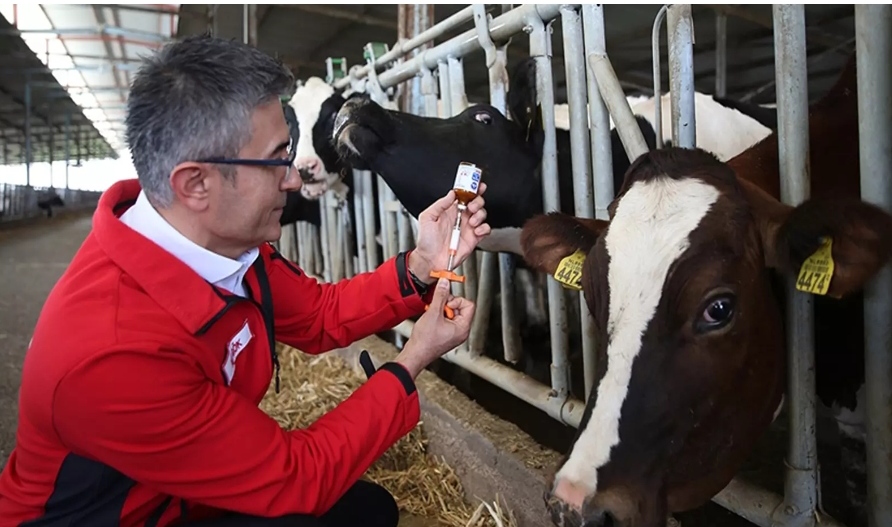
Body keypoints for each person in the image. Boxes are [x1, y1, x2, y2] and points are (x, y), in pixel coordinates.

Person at [0, 35, 490, 527]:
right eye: (277, 159)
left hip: (177, 495)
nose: (295, 179)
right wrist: (411, 360)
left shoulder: (223, 245)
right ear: (195, 184)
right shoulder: (112, 354)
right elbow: (297, 479)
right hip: (118, 518)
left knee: (367, 510)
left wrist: (422, 264)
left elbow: (319, 314)